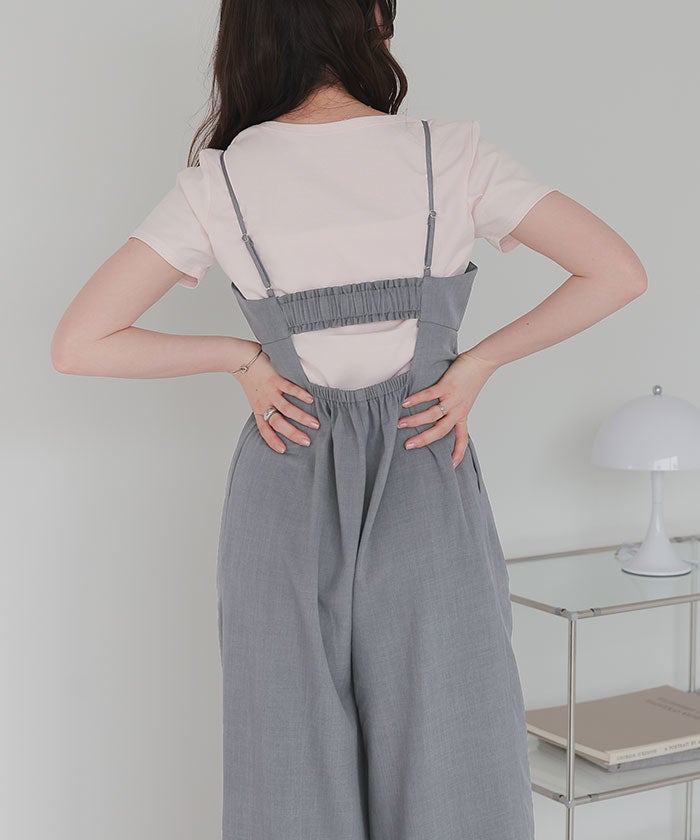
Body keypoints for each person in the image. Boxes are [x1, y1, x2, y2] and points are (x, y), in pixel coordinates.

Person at [51, 1, 648, 838]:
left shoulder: (221, 182)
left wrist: (243, 358)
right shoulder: (448, 155)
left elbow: (79, 342)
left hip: (283, 478)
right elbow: (617, 272)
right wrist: (477, 363)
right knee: (454, 766)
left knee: (287, 771)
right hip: (426, 466)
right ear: (369, 16)